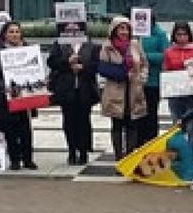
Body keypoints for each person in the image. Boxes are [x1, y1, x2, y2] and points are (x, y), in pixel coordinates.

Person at [0, 21, 38, 170]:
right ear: (4, 35)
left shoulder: (28, 50)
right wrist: (4, 87)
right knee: (11, 129)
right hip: (7, 97)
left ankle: (28, 159)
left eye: (17, 32)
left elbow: (35, 70)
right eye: (11, 32)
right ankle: (15, 159)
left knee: (26, 129)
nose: (14, 34)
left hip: (25, 95)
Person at [97, 16, 148, 160]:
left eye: (127, 28)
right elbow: (103, 68)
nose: (124, 32)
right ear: (114, 30)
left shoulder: (135, 44)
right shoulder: (107, 46)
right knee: (117, 126)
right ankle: (119, 157)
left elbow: (144, 63)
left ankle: (130, 157)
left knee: (132, 125)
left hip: (133, 90)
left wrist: (141, 78)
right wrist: (122, 74)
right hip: (115, 91)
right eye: (121, 28)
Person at [47, 38, 100, 164]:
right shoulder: (59, 44)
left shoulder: (91, 45)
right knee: (69, 121)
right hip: (66, 89)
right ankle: (71, 150)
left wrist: (83, 67)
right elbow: (52, 62)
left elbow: (97, 65)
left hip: (85, 89)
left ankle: (83, 150)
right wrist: (67, 62)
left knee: (84, 121)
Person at [163, 22, 193, 156]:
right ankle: (179, 156)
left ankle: (191, 156)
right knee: (177, 125)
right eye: (178, 34)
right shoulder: (169, 52)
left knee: (191, 127)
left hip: (191, 94)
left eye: (184, 34)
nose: (181, 38)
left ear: (189, 35)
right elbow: (166, 70)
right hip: (175, 94)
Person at [139, 13, 169, 143]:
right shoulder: (134, 34)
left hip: (153, 81)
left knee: (151, 114)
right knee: (137, 115)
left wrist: (145, 56)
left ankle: (151, 142)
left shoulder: (160, 34)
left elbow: (165, 55)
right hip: (136, 81)